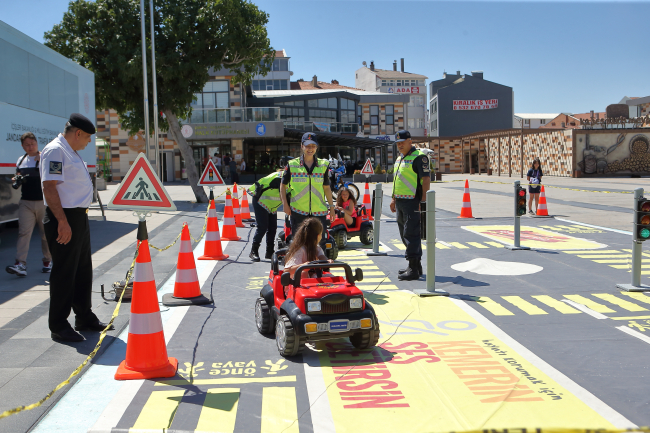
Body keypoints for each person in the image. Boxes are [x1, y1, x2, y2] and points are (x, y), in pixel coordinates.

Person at [41, 113, 114, 342]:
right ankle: (58, 325)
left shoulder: (71, 152)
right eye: (88, 138)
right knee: (64, 272)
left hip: (78, 217)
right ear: (78, 133)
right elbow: (49, 187)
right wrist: (62, 222)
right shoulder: (55, 151)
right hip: (63, 217)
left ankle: (84, 316)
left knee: (82, 270)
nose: (89, 142)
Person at [6, 132, 53, 277]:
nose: (30, 147)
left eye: (33, 144)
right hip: (26, 202)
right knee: (24, 233)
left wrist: (43, 160)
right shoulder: (21, 160)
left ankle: (48, 261)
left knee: (45, 235)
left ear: (37, 144)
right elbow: (18, 176)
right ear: (22, 146)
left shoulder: (45, 157)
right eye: (27, 144)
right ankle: (20, 264)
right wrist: (17, 179)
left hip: (43, 202)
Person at [389, 130, 430, 281]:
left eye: (402, 142)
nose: (399, 145)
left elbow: (425, 180)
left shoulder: (419, 157)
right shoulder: (401, 158)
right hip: (400, 201)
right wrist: (393, 199)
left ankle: (413, 268)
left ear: (410, 141)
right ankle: (415, 266)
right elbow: (398, 180)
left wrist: (423, 202)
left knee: (411, 233)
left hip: (413, 201)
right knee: (404, 233)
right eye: (398, 143)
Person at [280, 133, 335, 238]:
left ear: (317, 147)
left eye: (313, 146)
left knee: (320, 244)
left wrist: (332, 208)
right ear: (302, 146)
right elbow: (282, 185)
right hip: (298, 211)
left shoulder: (324, 165)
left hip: (319, 212)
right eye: (307, 146)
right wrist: (285, 204)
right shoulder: (292, 165)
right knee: (300, 244)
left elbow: (326, 188)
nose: (310, 149)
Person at [248, 170, 283, 261]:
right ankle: (254, 251)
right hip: (261, 201)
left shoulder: (294, 180)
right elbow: (260, 184)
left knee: (272, 228)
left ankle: (270, 252)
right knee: (262, 227)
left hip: (272, 205)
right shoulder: (277, 178)